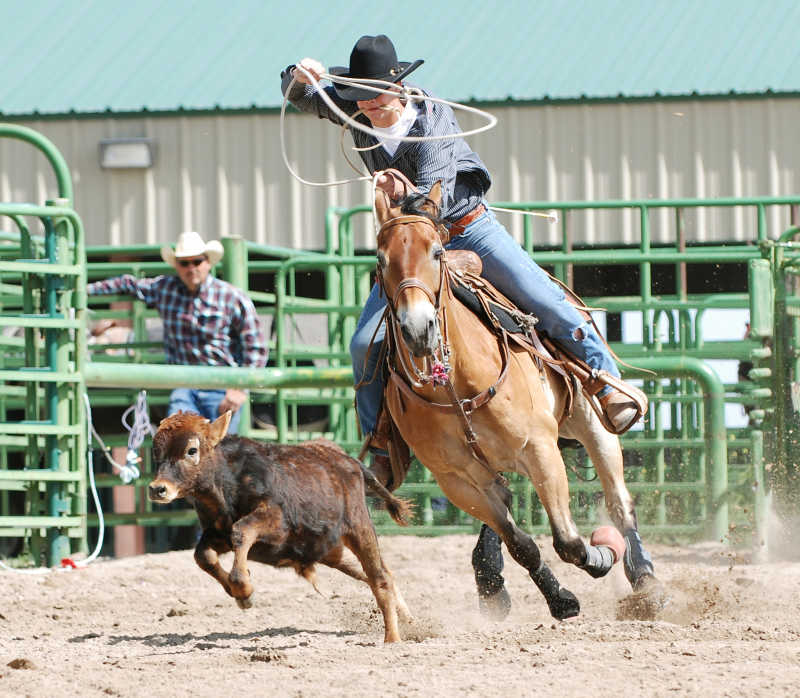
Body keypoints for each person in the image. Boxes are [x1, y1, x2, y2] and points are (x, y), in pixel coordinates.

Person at [280, 34, 644, 467]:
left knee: (544, 299)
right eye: (359, 98)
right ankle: (381, 440)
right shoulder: (356, 109)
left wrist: (401, 190)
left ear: (397, 86)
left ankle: (606, 381)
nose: (370, 107)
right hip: (413, 245)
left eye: (376, 97)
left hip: (468, 228)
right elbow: (300, 96)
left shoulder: (434, 118)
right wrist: (297, 74)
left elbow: (434, 194)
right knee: (363, 344)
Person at [87, 231, 268, 434]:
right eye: (184, 263)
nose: (191, 268)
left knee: (218, 452)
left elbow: (256, 347)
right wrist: (85, 290)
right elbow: (127, 284)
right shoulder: (165, 289)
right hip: (184, 383)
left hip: (222, 385)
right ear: (177, 266)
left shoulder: (231, 297)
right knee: (178, 444)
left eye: (197, 261)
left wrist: (240, 389)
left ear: (208, 263)